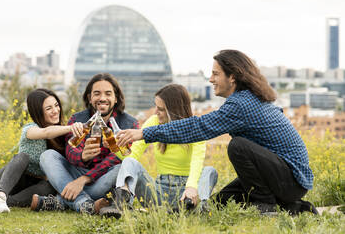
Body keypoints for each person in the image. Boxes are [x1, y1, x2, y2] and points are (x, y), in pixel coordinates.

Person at [116, 50, 318, 215]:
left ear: (232, 77)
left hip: (291, 178)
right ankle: (295, 207)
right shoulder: (248, 98)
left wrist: (145, 133)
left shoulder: (241, 104)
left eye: (215, 73)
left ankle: (266, 205)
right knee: (219, 204)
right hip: (280, 175)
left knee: (238, 146)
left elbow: (198, 127)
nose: (211, 79)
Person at [99, 84, 218, 218]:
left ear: (174, 111)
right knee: (130, 162)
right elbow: (133, 155)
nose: (155, 112)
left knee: (209, 171)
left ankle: (198, 207)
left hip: (185, 194)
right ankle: (122, 203)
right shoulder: (154, 122)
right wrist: (113, 146)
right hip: (159, 192)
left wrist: (191, 187)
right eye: (156, 106)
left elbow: (197, 160)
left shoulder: (195, 127)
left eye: (160, 109)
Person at [31, 73, 139, 214]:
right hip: (75, 174)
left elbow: (117, 159)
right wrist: (83, 156)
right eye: (97, 94)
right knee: (47, 156)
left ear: (116, 98)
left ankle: (60, 202)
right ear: (90, 98)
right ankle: (85, 203)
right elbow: (70, 152)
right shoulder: (77, 119)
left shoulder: (130, 123)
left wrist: (83, 180)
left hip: (103, 179)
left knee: (123, 165)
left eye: (108, 93)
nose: (102, 98)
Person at [0, 88, 83, 213]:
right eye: (49, 108)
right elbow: (46, 132)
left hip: (33, 186)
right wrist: (71, 128)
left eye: (56, 105)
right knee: (23, 157)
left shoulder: (61, 136)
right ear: (38, 112)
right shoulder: (30, 129)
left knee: (49, 187)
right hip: (12, 181)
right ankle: (0, 195)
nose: (55, 111)